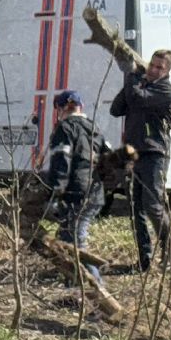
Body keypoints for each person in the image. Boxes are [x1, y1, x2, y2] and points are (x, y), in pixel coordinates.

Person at [110, 47, 171, 272]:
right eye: (152, 65)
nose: (154, 70)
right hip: (134, 154)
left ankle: (169, 253)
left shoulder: (165, 90)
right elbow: (116, 109)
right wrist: (132, 80)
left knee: (153, 205)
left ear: (167, 71)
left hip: (154, 153)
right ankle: (144, 260)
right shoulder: (139, 85)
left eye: (160, 67)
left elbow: (138, 99)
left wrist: (131, 76)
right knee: (135, 207)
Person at [42, 90, 107, 290]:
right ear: (81, 107)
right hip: (95, 191)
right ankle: (72, 284)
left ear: (59, 109)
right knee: (66, 236)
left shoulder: (64, 128)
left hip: (75, 193)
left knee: (76, 241)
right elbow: (109, 158)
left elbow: (61, 163)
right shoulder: (94, 128)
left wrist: (55, 194)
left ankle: (96, 288)